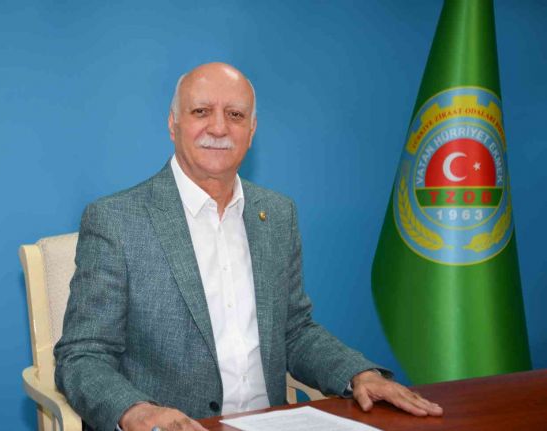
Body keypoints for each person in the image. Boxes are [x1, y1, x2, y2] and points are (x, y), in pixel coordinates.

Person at [54, 62, 442, 431]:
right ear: (173, 123)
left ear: (252, 130)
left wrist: (358, 374)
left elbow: (294, 331)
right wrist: (136, 411)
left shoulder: (277, 214)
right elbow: (82, 355)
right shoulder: (117, 220)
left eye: (235, 115)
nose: (218, 127)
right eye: (201, 111)